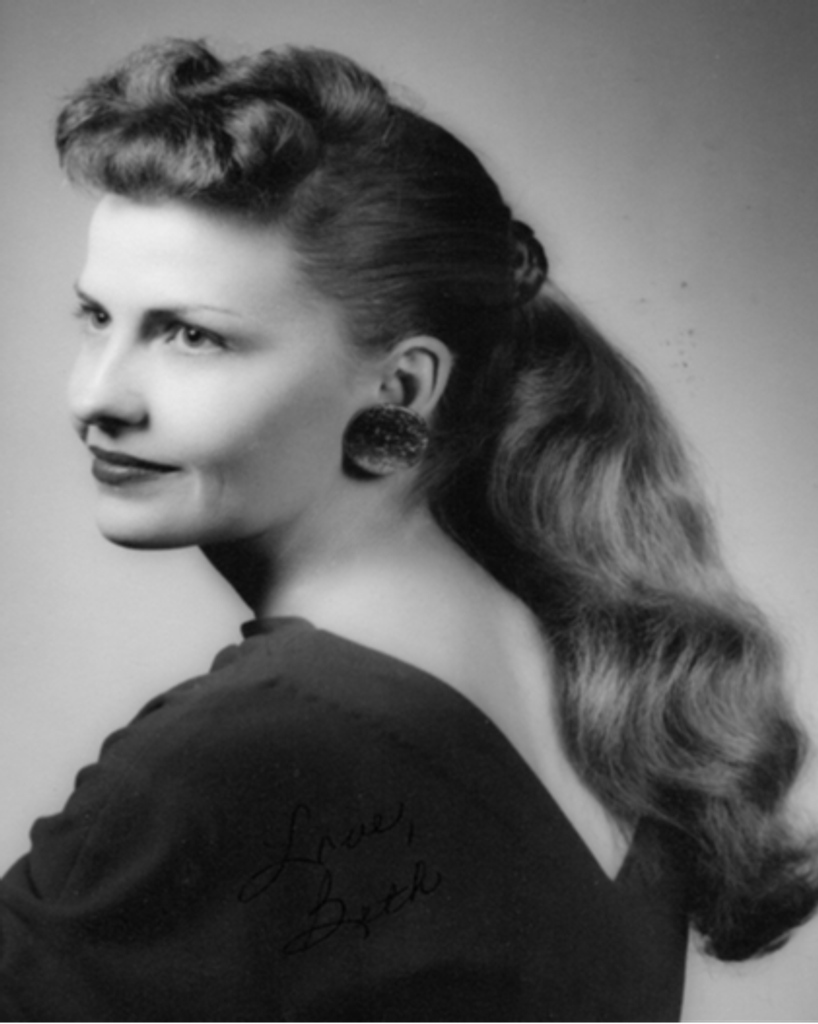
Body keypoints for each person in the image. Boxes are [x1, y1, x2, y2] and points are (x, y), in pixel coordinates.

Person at [0, 37, 815, 1023]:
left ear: (400, 387)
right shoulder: (588, 666)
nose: (96, 397)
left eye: (193, 336)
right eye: (97, 317)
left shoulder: (232, 756)